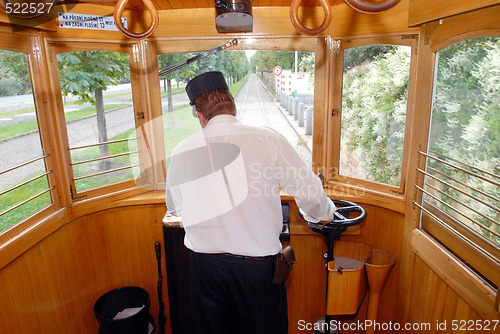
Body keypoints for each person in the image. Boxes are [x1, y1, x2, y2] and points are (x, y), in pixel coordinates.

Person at [165, 71, 335, 334]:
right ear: (233, 108)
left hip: (205, 270)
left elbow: (175, 207)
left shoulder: (180, 152)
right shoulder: (269, 139)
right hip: (257, 271)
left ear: (200, 116)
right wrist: (324, 214)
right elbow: (311, 196)